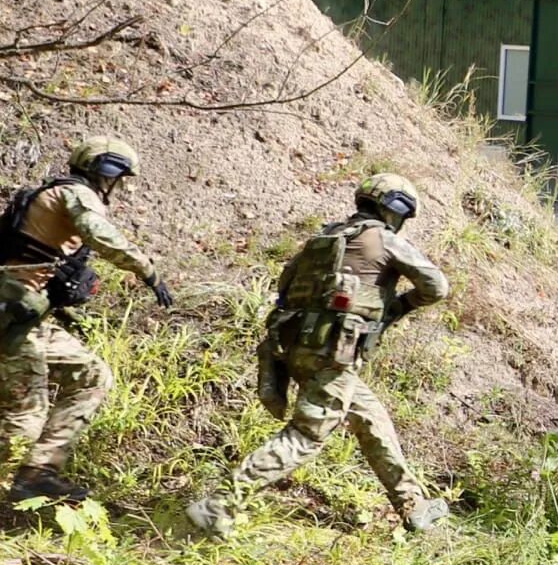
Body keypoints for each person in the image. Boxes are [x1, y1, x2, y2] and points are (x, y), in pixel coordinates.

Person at [0, 139, 170, 518]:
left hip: (27, 321)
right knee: (20, 422)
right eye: (117, 178)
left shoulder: (54, 198)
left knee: (92, 375)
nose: (116, 187)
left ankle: (39, 472)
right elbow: (98, 231)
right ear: (105, 172)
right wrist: (146, 269)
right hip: (7, 321)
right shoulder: (74, 193)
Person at [185, 173, 450, 538]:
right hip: (333, 354)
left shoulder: (323, 239)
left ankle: (413, 505)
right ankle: (220, 505)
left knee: (371, 417)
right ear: (395, 210)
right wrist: (397, 307)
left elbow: (285, 289)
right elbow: (436, 286)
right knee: (307, 436)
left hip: (298, 349)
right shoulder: (382, 240)